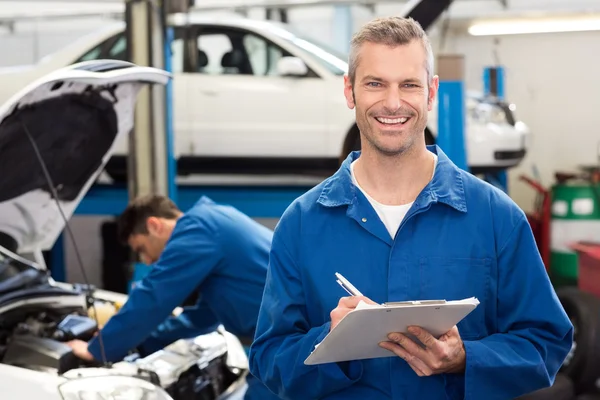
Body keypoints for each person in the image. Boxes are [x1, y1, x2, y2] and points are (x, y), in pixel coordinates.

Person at [248, 16, 573, 400]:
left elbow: (546, 342)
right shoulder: (301, 224)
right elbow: (269, 361)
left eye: (409, 85)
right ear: (350, 91)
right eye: (374, 84)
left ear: (431, 93)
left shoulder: (495, 216)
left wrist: (466, 357)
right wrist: (333, 344)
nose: (392, 102)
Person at [67, 194, 280, 400]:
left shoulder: (198, 230)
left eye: (142, 249)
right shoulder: (213, 221)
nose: (147, 260)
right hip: (285, 340)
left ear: (154, 225)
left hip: (283, 345)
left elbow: (153, 297)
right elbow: (201, 318)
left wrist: (99, 349)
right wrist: (139, 344)